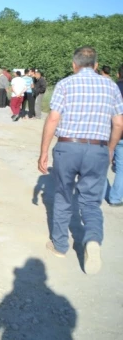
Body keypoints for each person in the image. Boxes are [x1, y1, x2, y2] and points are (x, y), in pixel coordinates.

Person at [37, 46, 123, 275]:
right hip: (97, 149)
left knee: (64, 196)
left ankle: (60, 245)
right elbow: (118, 124)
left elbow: (53, 119)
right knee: (91, 202)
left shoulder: (66, 84)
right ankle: (93, 239)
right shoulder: (111, 86)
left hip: (67, 146)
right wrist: (110, 149)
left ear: (74, 65)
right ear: (95, 65)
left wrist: (44, 151)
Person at [104, 64, 123, 207]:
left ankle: (99, 194)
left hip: (108, 132)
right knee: (122, 169)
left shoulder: (111, 88)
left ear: (118, 74)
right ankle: (115, 198)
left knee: (103, 164)